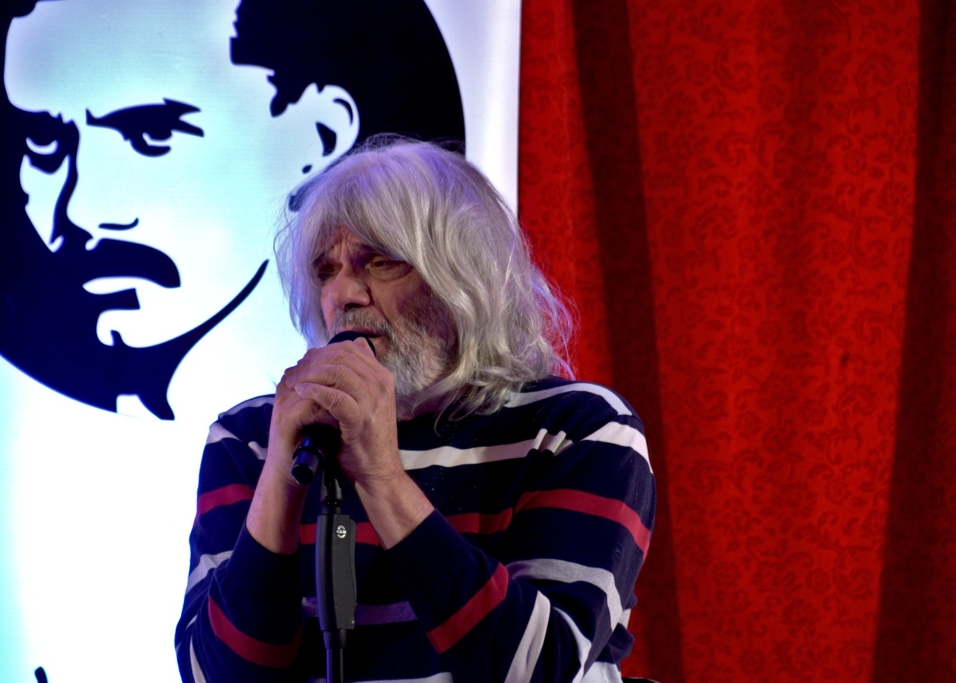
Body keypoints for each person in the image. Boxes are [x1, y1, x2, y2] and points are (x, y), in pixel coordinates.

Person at [176, 139, 656, 682]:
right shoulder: (250, 439)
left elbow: (536, 668)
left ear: (463, 276)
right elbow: (214, 675)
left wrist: (381, 476)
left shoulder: (577, 430)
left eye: (380, 262)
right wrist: (282, 479)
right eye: (325, 270)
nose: (343, 295)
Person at [0, 0, 463, 420]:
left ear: (316, 134)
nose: (82, 212)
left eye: (150, 135)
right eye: (46, 141)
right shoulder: (243, 440)